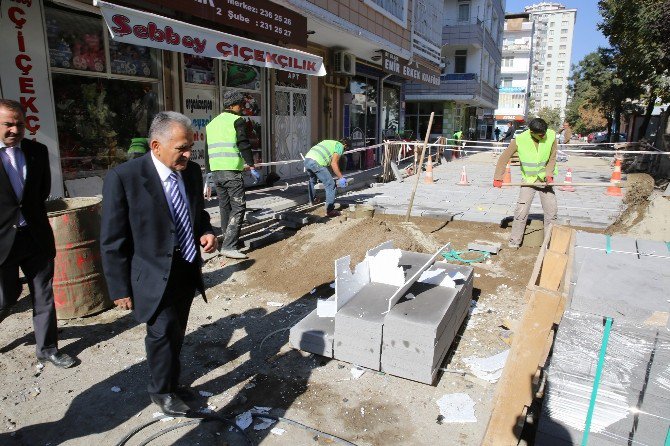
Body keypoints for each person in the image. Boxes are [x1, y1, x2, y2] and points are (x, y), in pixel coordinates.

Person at [100, 111, 217, 416]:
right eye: (181, 148)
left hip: (186, 267)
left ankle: (172, 382)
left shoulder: (191, 172)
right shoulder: (124, 178)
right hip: (151, 274)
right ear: (156, 146)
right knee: (162, 332)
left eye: (190, 147)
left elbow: (198, 213)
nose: (188, 154)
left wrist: (206, 231)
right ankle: (162, 391)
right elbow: (113, 239)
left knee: (177, 331)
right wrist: (119, 288)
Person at [0, 99, 76, 368]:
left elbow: (41, 191)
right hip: (2, 241)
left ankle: (48, 348)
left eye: (19, 123)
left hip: (34, 235)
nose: (14, 129)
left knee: (43, 293)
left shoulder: (37, 151)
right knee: (6, 296)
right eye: (8, 124)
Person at [205, 90, 259, 260]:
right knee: (238, 206)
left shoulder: (212, 123)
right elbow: (243, 143)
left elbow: (207, 151)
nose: (243, 108)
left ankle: (227, 240)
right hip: (231, 171)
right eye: (242, 105)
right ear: (234, 105)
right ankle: (229, 246)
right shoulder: (237, 120)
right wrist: (251, 164)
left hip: (216, 172)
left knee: (225, 206)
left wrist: (208, 174)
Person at [493, 118, 558, 249]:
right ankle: (514, 241)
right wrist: (498, 177)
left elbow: (552, 156)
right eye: (540, 134)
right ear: (531, 132)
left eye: (544, 133)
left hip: (545, 181)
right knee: (521, 212)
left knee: (552, 212)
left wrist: (549, 174)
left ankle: (550, 244)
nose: (543, 136)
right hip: (528, 180)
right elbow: (504, 157)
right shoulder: (521, 139)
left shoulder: (551, 135)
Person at [304, 139, 349, 217]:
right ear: (345, 145)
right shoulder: (339, 146)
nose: (343, 151)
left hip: (307, 160)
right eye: (345, 149)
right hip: (316, 162)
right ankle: (330, 210)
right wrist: (341, 178)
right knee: (330, 185)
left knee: (312, 181)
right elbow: (334, 163)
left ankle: (313, 200)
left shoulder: (329, 142)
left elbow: (327, 161)